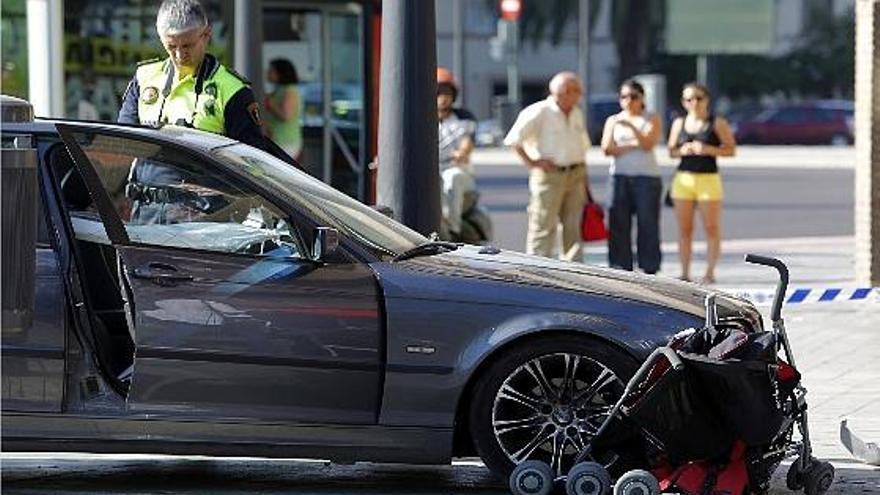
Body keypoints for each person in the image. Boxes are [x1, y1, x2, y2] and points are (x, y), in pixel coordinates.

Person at [117, 0, 276, 155]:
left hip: (204, 181)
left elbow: (252, 159)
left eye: (187, 45)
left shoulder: (232, 89)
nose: (179, 55)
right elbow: (123, 143)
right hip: (144, 181)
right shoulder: (144, 77)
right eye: (171, 46)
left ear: (207, 35)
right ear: (161, 38)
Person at [503, 71, 591, 262]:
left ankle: (574, 272)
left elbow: (581, 147)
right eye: (577, 90)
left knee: (573, 226)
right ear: (564, 92)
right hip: (549, 176)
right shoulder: (539, 111)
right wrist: (533, 162)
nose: (580, 94)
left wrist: (585, 179)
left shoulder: (576, 113)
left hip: (576, 173)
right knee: (543, 225)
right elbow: (513, 141)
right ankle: (538, 270)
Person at [667, 82, 736, 284]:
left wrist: (707, 149)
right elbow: (671, 150)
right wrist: (684, 150)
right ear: (683, 102)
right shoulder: (679, 123)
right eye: (689, 99)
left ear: (706, 100)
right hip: (684, 179)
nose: (694, 103)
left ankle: (710, 272)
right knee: (684, 229)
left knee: (711, 227)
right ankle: (685, 272)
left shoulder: (716, 123)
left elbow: (730, 149)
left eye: (698, 98)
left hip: (708, 178)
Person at [600, 79, 662, 274]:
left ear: (642, 98)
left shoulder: (651, 117)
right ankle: (620, 266)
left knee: (647, 223)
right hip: (619, 176)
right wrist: (631, 145)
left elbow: (648, 144)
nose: (628, 101)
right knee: (618, 222)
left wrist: (632, 128)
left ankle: (649, 266)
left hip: (646, 177)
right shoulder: (613, 120)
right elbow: (607, 148)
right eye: (624, 96)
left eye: (633, 96)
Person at [436, 67, 477, 241]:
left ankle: (453, 231)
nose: (443, 98)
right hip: (433, 168)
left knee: (452, 179)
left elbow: (467, 140)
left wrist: (461, 152)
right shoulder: (421, 117)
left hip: (457, 168)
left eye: (447, 92)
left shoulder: (464, 117)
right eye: (439, 92)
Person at [264, 58, 303, 162]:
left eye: (271, 71)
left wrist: (271, 104)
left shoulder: (289, 90)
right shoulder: (279, 90)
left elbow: (286, 115)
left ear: (280, 73)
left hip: (286, 142)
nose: (267, 73)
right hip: (277, 140)